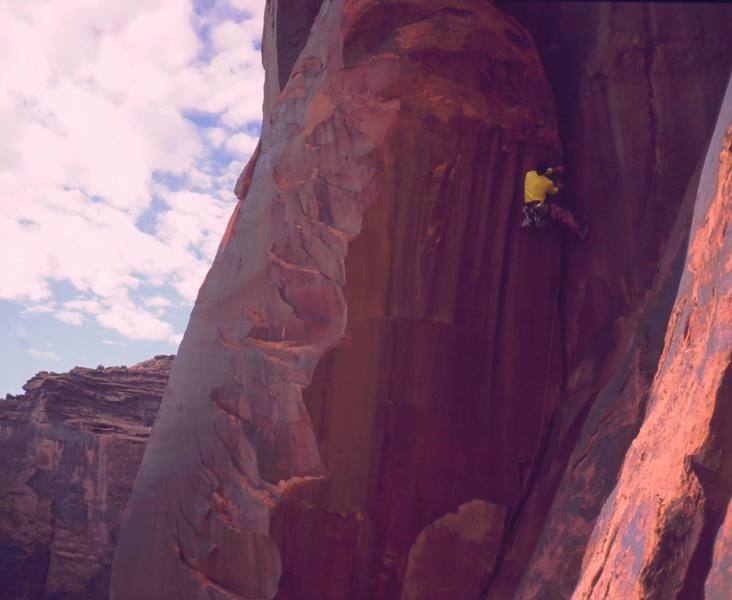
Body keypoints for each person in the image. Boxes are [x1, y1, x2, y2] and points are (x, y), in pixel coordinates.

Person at [522, 161, 589, 239]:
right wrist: (558, 187)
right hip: (540, 211)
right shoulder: (547, 182)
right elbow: (553, 192)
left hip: (528, 210)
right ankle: (580, 231)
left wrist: (555, 170)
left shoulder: (529, 174)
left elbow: (542, 173)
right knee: (562, 213)